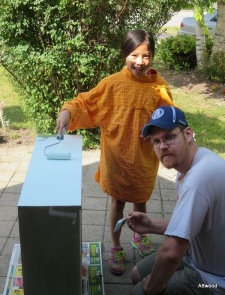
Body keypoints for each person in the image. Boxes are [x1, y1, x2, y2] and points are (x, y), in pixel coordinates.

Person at [56, 29, 174, 275]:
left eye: (146, 56)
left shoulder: (158, 87)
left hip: (143, 160)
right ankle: (116, 245)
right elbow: (86, 102)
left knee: (140, 200)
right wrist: (68, 111)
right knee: (118, 203)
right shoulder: (111, 84)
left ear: (152, 57)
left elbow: (170, 117)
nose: (139, 62)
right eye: (134, 55)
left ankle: (139, 235)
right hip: (117, 159)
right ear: (125, 54)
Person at [128, 105, 225, 294]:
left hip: (214, 279)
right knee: (136, 274)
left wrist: (152, 288)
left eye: (169, 137)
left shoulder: (198, 179)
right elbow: (189, 225)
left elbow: (172, 252)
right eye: (156, 141)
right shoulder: (189, 166)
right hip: (194, 256)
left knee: (141, 291)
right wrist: (150, 225)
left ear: (188, 135)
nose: (162, 146)